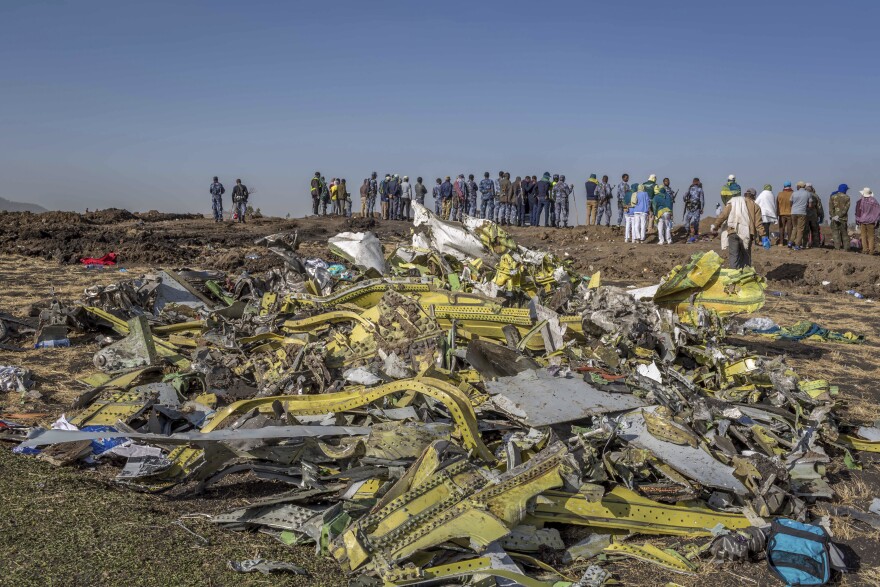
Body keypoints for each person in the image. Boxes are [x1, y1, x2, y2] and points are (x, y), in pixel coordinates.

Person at [711, 188, 770, 269]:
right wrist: (763, 236)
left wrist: (715, 226)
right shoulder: (756, 206)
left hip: (733, 232)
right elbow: (758, 224)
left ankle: (734, 276)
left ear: (745, 194)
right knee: (746, 257)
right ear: (754, 196)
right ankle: (745, 276)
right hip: (747, 234)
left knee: (734, 256)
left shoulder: (734, 202)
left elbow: (723, 215)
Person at [855, 187, 880, 254]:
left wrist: (857, 220)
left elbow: (858, 211)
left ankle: (865, 250)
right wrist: (877, 221)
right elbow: (878, 211)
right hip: (871, 221)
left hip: (862, 220)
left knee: (863, 235)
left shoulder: (860, 201)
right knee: (871, 236)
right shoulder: (874, 201)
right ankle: (871, 251)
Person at [828, 184, 851, 250]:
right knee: (844, 234)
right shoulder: (847, 197)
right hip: (843, 219)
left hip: (834, 219)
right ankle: (846, 248)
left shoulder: (833, 196)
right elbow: (846, 209)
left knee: (835, 233)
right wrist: (839, 216)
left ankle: (837, 248)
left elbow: (831, 209)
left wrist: (834, 216)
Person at [789, 181, 810, 248]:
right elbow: (810, 205)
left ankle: (790, 242)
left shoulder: (794, 193)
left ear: (800, 186)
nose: (796, 187)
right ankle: (797, 245)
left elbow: (790, 203)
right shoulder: (807, 193)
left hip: (793, 212)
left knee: (794, 227)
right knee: (800, 229)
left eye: (797, 186)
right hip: (802, 213)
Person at [805, 183, 824, 248]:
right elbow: (819, 207)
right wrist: (821, 216)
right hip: (814, 216)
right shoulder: (816, 196)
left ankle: (805, 244)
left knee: (805, 230)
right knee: (815, 230)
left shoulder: (804, 195)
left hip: (805, 215)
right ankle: (816, 245)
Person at [776, 181, 794, 246]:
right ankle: (789, 242)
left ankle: (781, 242)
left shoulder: (779, 194)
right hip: (790, 213)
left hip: (781, 213)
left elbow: (777, 205)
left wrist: (777, 214)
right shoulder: (793, 193)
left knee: (781, 228)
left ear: (784, 186)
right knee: (790, 229)